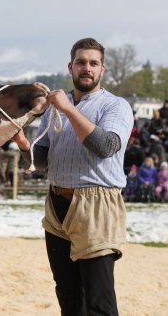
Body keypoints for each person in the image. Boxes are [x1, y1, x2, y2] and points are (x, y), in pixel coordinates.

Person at [12, 38, 133, 315]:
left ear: (103, 69)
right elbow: (40, 161)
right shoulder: (54, 107)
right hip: (57, 204)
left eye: (93, 63)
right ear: (70, 67)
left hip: (96, 205)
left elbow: (105, 147)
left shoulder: (116, 106)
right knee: (68, 296)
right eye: (81, 62)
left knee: (99, 301)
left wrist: (68, 108)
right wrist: (20, 141)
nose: (86, 68)